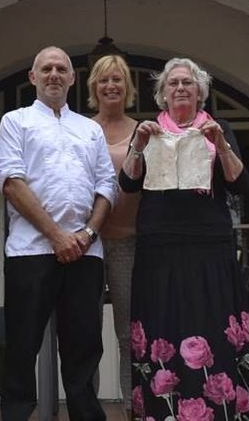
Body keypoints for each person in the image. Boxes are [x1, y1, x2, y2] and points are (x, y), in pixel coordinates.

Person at [120, 57, 249, 421]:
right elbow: (128, 182)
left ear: (200, 91)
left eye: (188, 83)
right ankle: (161, 411)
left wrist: (221, 145)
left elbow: (240, 185)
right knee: (163, 325)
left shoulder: (218, 128)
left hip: (209, 246)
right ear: (162, 94)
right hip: (159, 248)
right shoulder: (148, 130)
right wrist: (138, 146)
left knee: (210, 325)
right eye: (173, 83)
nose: (180, 88)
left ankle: (221, 410)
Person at [0, 46, 117, 421]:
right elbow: (11, 182)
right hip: (30, 252)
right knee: (21, 346)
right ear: (33, 77)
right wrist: (57, 236)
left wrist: (88, 233)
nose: (54, 75)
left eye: (62, 69)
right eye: (46, 68)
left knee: (83, 348)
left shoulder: (89, 129)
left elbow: (106, 185)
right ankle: (16, 415)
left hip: (86, 255)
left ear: (73, 78)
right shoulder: (16, 122)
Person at [87, 54, 140, 419]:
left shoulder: (143, 131)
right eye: (104, 80)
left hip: (129, 243)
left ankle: (132, 406)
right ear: (94, 88)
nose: (111, 86)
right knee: (86, 332)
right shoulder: (81, 129)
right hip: (88, 244)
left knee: (128, 333)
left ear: (127, 87)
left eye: (118, 79)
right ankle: (86, 408)